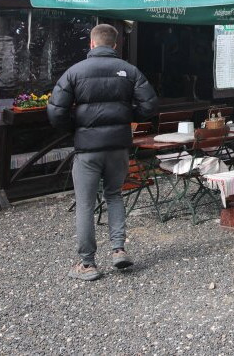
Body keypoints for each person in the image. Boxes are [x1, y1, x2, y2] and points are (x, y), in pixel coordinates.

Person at [48, 24, 157, 280]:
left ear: (91, 43)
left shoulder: (75, 72)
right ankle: (118, 250)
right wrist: (126, 117)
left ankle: (87, 264)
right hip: (118, 146)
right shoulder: (129, 71)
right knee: (114, 195)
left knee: (85, 204)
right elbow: (150, 105)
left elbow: (55, 111)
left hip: (87, 149)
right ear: (115, 45)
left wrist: (76, 128)